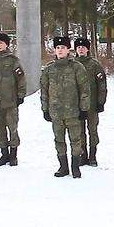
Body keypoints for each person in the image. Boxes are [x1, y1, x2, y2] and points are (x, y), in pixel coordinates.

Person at [40, 37, 90, 178]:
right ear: (54, 50)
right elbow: (44, 91)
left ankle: (75, 167)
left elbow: (84, 90)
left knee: (76, 140)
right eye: (58, 48)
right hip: (56, 113)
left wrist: (84, 108)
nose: (60, 50)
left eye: (63, 47)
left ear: (68, 50)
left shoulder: (77, 68)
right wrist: (45, 109)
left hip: (73, 112)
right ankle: (63, 167)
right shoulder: (49, 69)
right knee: (59, 140)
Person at [0, 32, 26, 167]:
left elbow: (21, 79)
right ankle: (4, 154)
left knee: (13, 129)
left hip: (11, 101)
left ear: (6, 45)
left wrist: (21, 95)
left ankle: (13, 155)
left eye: (1, 43)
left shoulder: (13, 60)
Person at [74, 38, 107, 166]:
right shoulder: (73, 64)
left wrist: (101, 102)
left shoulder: (94, 65)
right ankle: (83, 155)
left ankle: (93, 156)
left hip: (92, 104)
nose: (81, 49)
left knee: (92, 130)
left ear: (87, 49)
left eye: (83, 47)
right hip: (77, 105)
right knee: (79, 131)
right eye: (78, 47)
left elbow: (102, 84)